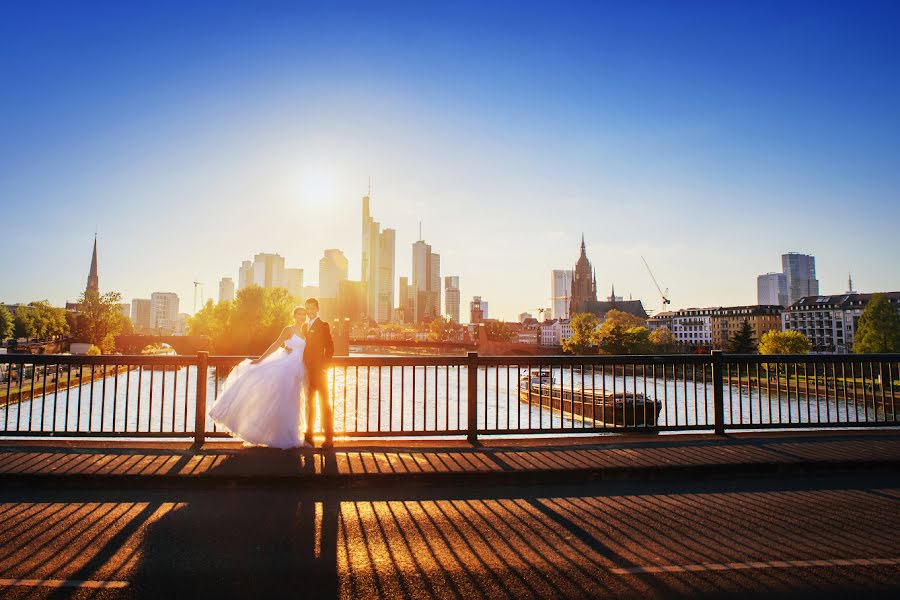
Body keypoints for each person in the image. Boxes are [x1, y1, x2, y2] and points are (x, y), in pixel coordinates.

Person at [208, 306, 308, 449]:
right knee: (281, 402)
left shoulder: (304, 331)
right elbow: (276, 344)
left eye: (303, 314)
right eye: (299, 314)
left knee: (294, 402)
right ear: (294, 316)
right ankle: (277, 436)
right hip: (286, 368)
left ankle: (291, 435)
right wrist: (260, 360)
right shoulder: (288, 330)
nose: (302, 317)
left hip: (298, 369)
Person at [300, 298, 334, 448]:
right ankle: (309, 437)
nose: (310, 311)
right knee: (310, 405)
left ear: (318, 309)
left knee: (324, 404)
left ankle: (328, 439)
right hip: (308, 372)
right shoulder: (305, 326)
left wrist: (324, 366)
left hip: (320, 373)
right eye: (307, 308)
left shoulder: (323, 325)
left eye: (312, 308)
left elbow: (330, 347)